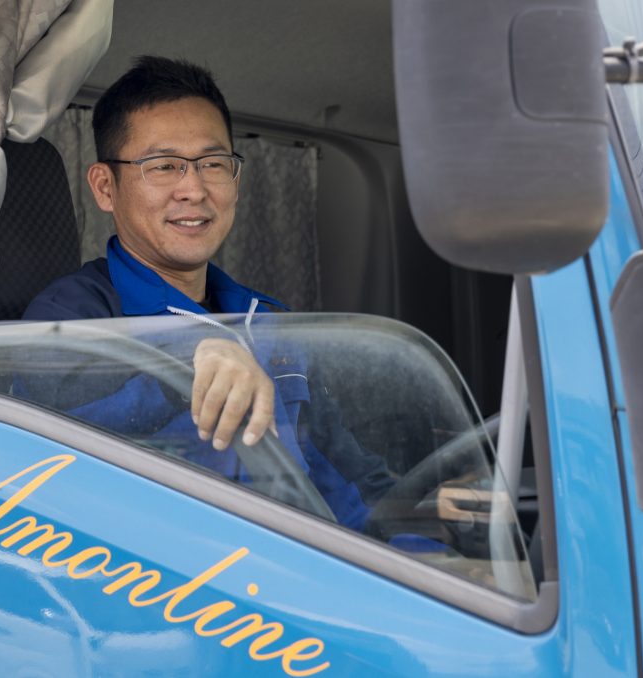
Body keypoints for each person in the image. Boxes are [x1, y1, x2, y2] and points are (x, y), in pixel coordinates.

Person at [22, 56, 393, 529]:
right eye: (163, 166)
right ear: (105, 187)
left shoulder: (269, 321)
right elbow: (54, 452)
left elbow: (350, 484)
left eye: (213, 164)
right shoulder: (71, 316)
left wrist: (429, 524)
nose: (194, 190)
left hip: (303, 564)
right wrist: (188, 357)